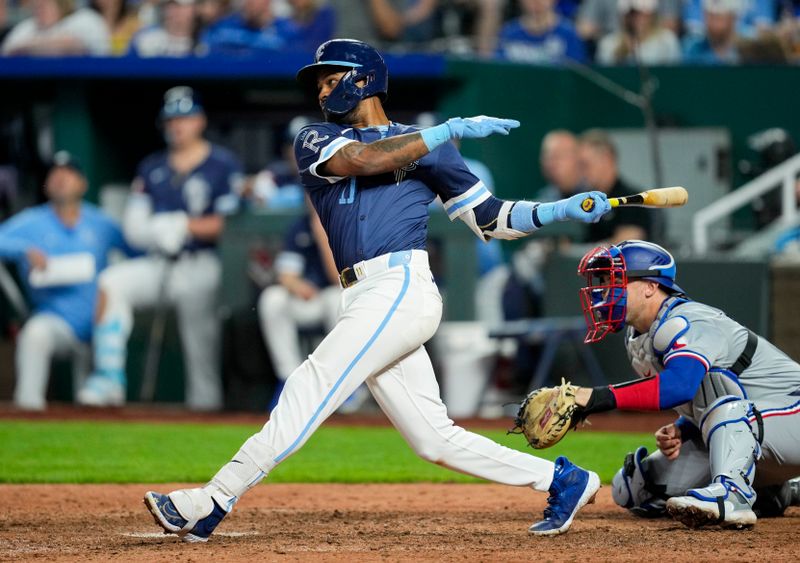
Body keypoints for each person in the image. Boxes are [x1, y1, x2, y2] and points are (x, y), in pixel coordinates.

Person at [143, 38, 613, 542]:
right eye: (319, 84)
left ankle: (213, 498)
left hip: (401, 286)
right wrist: (445, 131)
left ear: (363, 79)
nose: (323, 92)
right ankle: (563, 479)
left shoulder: (429, 145)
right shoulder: (315, 138)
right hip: (360, 293)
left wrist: (556, 211)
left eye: (332, 79)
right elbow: (365, 160)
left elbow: (490, 219)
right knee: (434, 440)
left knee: (310, 385)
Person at [568, 240, 800, 528]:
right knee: (633, 488)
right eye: (602, 282)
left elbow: (679, 386)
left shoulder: (689, 320)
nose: (604, 291)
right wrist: (683, 428)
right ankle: (779, 492)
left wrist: (596, 398)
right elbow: (717, 390)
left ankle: (732, 497)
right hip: (761, 428)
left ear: (650, 286)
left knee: (730, 413)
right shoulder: (638, 337)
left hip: (793, 413)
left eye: (614, 280)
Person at [77, 86, 242, 410]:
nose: (177, 125)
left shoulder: (222, 163)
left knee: (200, 340)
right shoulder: (152, 166)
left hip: (200, 262)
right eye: (171, 119)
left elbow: (228, 224)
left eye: (184, 117)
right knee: (113, 282)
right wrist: (157, 230)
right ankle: (109, 378)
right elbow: (134, 228)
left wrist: (184, 225)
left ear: (200, 121)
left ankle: (205, 404)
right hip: (159, 259)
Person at [0, 152, 132, 410]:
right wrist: (23, 249)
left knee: (98, 397)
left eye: (69, 173)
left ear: (83, 183)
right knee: (34, 334)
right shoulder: (32, 222)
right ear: (46, 184)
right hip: (58, 321)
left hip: (99, 324)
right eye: (55, 174)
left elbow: (135, 249)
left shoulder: (101, 222)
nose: (61, 179)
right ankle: (29, 411)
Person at [257, 199, 342, 408]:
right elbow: (286, 274)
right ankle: (289, 381)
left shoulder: (346, 221)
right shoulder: (300, 225)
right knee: (273, 299)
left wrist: (323, 237)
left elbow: (340, 279)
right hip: (310, 300)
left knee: (337, 298)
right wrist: (296, 285)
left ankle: (342, 383)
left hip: (338, 297)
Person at [578, 128, 653, 243]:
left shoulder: (632, 200)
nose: (582, 172)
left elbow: (627, 242)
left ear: (607, 159)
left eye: (586, 165)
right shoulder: (584, 200)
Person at [1, 0, 110, 55]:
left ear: (61, 4)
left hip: (90, 85)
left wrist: (27, 46)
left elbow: (74, 44)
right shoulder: (27, 27)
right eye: (37, 7)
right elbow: (8, 49)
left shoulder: (85, 18)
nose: (40, 11)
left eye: (45, 5)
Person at [497, 0, 587, 63]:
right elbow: (499, 70)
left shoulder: (568, 34)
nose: (536, 1)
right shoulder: (509, 32)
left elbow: (576, 74)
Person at [596, 0, 681, 65]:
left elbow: (675, 75)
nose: (637, 18)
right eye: (632, 14)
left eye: (643, 13)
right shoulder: (608, 44)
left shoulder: (667, 41)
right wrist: (620, 54)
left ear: (652, 15)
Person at [127, 0, 198, 57]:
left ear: (194, 9)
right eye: (168, 6)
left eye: (180, 6)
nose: (173, 11)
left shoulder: (205, 43)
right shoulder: (144, 40)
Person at [683, 0, 741, 64]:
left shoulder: (744, 53)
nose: (713, 24)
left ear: (732, 20)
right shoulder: (693, 50)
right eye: (709, 17)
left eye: (718, 18)